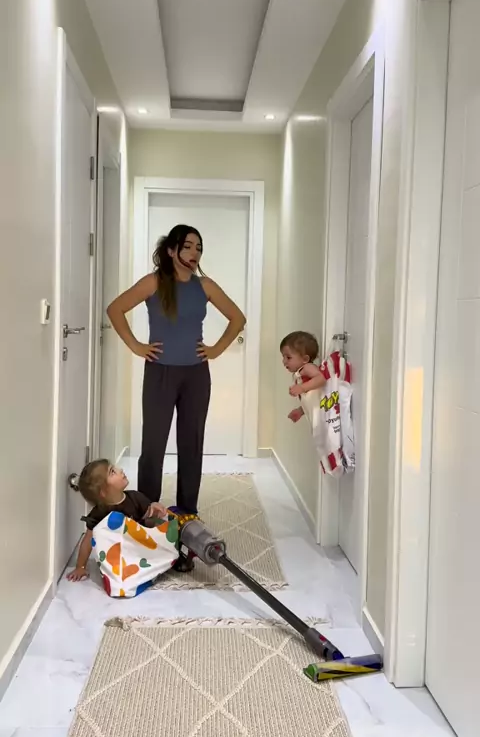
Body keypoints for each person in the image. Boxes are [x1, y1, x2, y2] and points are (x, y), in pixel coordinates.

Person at [107, 224, 246, 517]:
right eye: (188, 246)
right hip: (160, 373)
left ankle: (187, 511)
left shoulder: (205, 286)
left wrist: (216, 350)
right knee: (153, 446)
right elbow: (115, 309)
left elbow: (237, 318)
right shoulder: (154, 282)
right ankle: (147, 512)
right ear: (172, 251)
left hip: (196, 375)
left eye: (199, 248)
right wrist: (135, 345)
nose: (195, 253)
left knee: (191, 444)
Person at [67, 460, 168, 582]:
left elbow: (148, 521)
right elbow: (88, 540)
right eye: (112, 472)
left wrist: (154, 508)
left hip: (138, 548)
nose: (120, 470)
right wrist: (80, 567)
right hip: (116, 556)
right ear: (103, 491)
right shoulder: (99, 513)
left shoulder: (135, 498)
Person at [280, 331, 326, 426]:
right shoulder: (300, 374)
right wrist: (301, 410)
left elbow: (321, 379)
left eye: (288, 357)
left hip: (325, 417)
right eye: (283, 357)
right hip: (317, 419)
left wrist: (302, 387)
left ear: (305, 359)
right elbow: (313, 400)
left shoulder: (308, 368)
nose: (284, 361)